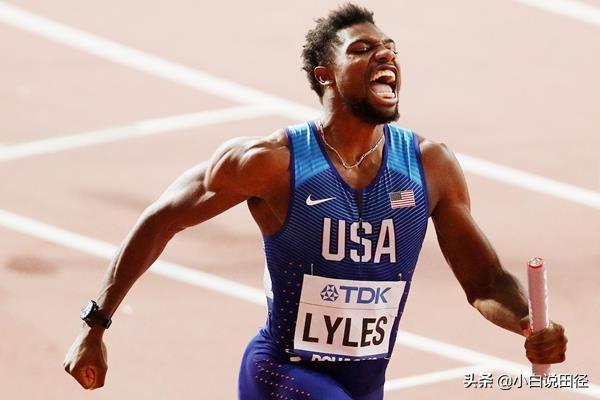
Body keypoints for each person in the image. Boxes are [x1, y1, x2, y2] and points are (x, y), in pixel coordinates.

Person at [63, 4, 567, 399]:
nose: (386, 56)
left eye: (390, 49)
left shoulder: (430, 166)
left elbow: (485, 281)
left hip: (365, 386)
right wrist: (95, 325)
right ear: (326, 75)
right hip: (281, 374)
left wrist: (527, 322)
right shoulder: (270, 163)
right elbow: (160, 220)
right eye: (363, 49)